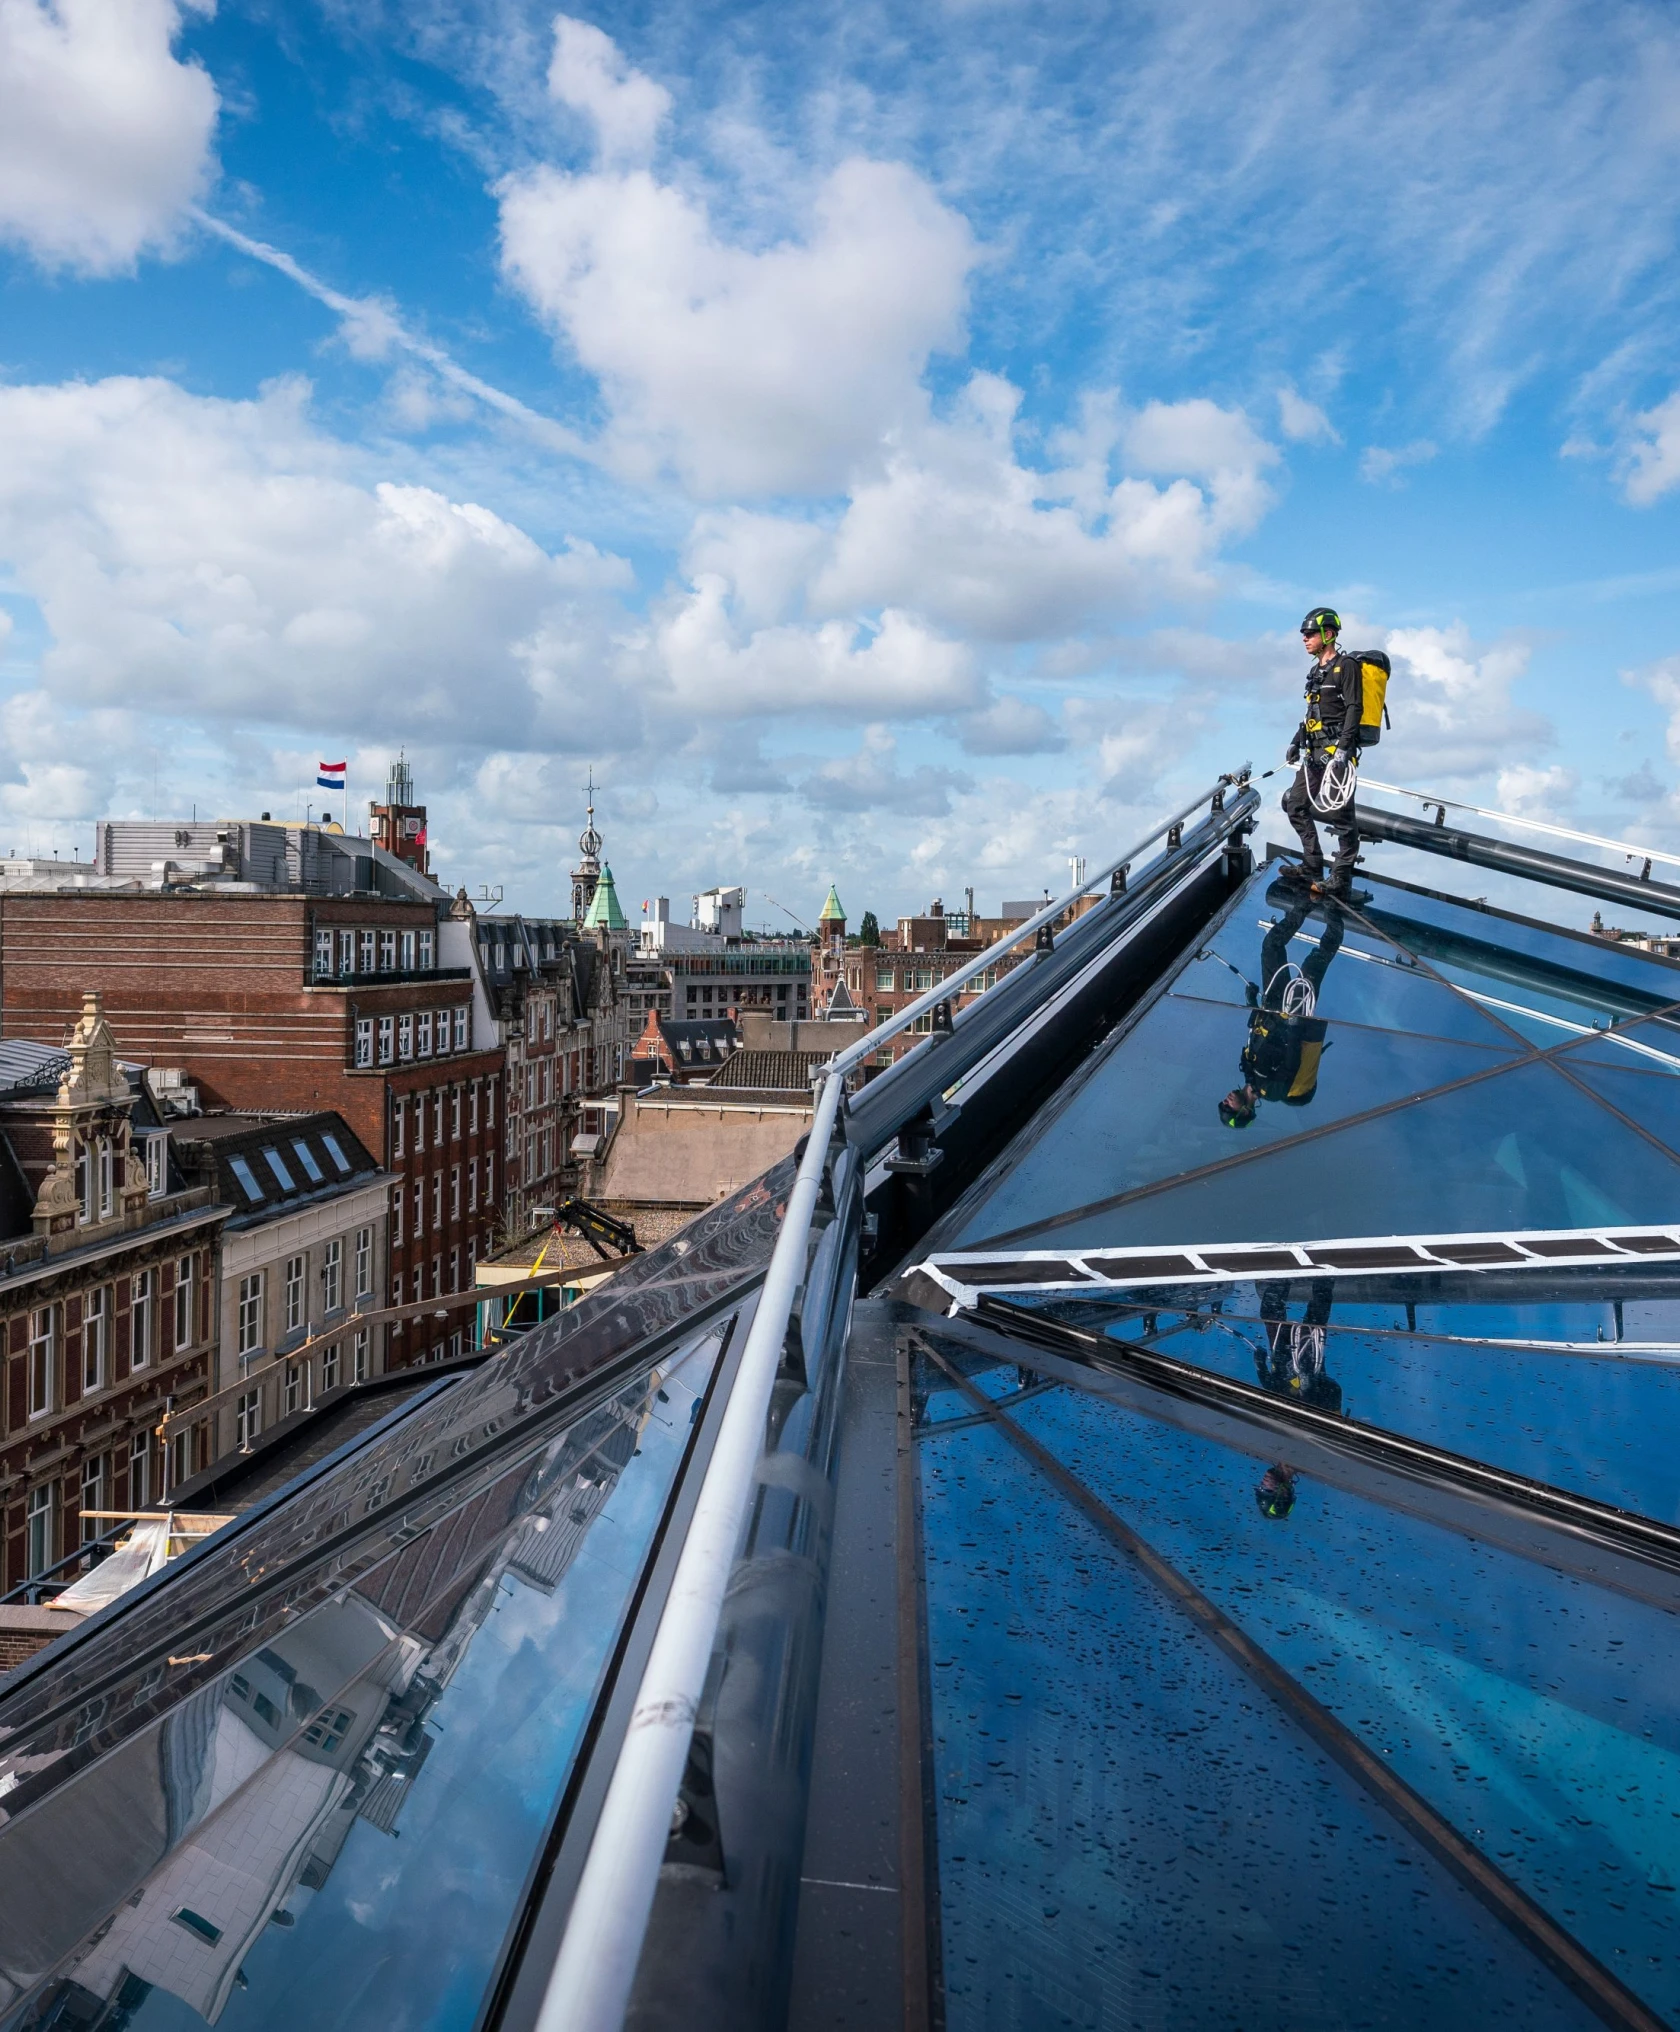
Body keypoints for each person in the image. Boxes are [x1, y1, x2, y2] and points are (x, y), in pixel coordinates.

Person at [1217, 887, 1344, 1128]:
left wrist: (1251, 1003)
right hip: (1294, 1018)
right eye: (1228, 1108)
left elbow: (1257, 1035)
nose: (1226, 1101)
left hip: (1272, 1007)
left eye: (1222, 1104)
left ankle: (1309, 900)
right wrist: (1296, 1025)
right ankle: (1334, 912)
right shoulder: (1271, 1091)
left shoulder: (1249, 1072)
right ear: (1244, 1111)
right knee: (1314, 964)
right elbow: (1291, 1062)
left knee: (1271, 946)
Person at [1282, 607, 1363, 898]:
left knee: (1342, 816)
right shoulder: (1315, 671)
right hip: (1313, 752)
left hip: (1337, 754)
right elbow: (1310, 712)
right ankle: (1312, 864)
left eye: (1310, 634)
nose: (1304, 639)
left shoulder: (1347, 666)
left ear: (1328, 635)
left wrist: (1342, 750)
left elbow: (1355, 707)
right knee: (1296, 805)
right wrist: (1295, 741)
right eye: (1304, 635)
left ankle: (1340, 876)